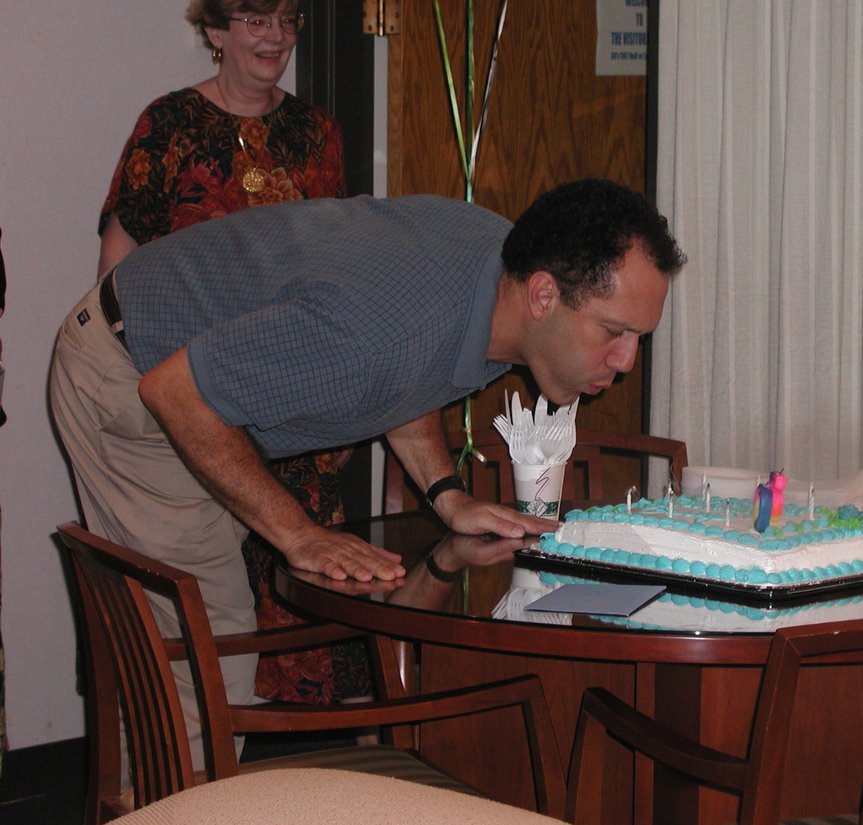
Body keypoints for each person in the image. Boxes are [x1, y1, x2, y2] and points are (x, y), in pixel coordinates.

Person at [49, 177, 686, 769]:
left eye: (639, 337)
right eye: (614, 331)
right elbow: (176, 393)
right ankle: (161, 804)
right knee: (203, 663)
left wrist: (447, 495)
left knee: (205, 648)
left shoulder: (502, 280)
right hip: (132, 375)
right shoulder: (376, 334)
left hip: (200, 371)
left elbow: (410, 373)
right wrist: (300, 536)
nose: (626, 361)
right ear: (543, 293)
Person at [98, 0, 363, 706]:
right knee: (204, 611)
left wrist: (340, 411)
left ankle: (305, 780)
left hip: (293, 397)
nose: (274, 37)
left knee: (303, 593)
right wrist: (127, 378)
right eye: (253, 18)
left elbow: (334, 269)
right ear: (214, 32)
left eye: (285, 20)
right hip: (190, 396)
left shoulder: (317, 133)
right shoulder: (170, 125)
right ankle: (212, 771)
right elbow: (121, 256)